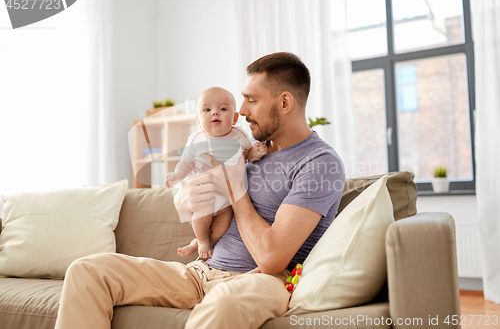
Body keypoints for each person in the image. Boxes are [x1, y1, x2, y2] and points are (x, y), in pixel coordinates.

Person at [54, 52, 345, 329]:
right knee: (88, 270)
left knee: (223, 303)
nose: (241, 112)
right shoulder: (245, 149)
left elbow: (271, 260)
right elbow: (195, 196)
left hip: (263, 280)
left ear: (284, 102)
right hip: (201, 271)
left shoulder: (319, 163)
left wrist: (235, 190)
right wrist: (184, 196)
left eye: (252, 101)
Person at [166, 86, 268, 259]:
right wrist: (177, 176)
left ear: (235, 118)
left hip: (227, 200)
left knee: (223, 226)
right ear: (199, 120)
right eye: (207, 109)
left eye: (223, 109)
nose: (215, 113)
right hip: (204, 194)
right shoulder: (196, 139)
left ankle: (205, 242)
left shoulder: (239, 136)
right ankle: (202, 240)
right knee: (201, 217)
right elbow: (186, 163)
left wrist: (256, 152)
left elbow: (248, 155)